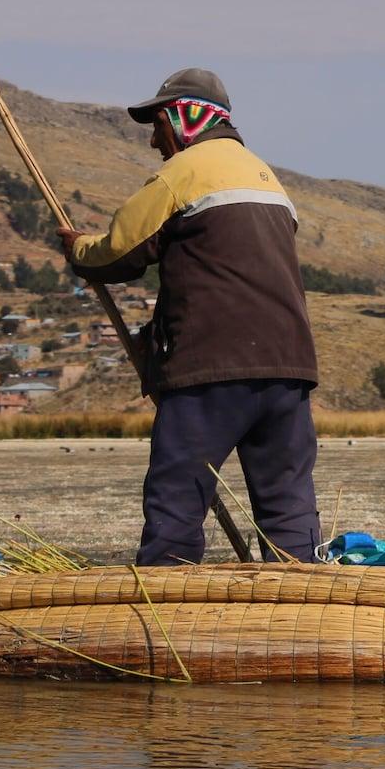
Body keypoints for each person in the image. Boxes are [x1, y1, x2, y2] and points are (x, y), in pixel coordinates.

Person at [59, 68, 322, 565]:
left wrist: (77, 248)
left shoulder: (184, 174)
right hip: (289, 370)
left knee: (177, 496)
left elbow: (119, 254)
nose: (155, 143)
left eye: (156, 127)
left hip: (212, 369)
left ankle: (166, 606)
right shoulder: (266, 176)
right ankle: (301, 601)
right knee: (288, 504)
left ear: (182, 118)